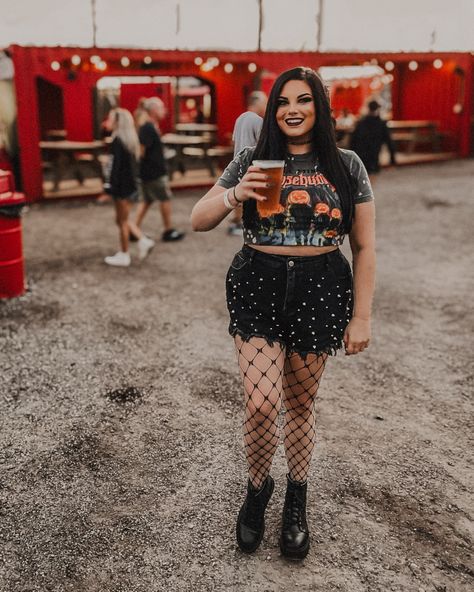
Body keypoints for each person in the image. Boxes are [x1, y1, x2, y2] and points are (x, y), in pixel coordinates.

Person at [191, 67, 375, 561]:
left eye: (304, 100)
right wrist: (235, 193)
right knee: (261, 402)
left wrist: (362, 316)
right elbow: (198, 219)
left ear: (319, 108)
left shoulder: (347, 165)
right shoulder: (254, 159)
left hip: (322, 286)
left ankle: (297, 495)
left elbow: (365, 246)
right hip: (258, 281)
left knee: (300, 404)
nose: (293, 109)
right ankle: (257, 488)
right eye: (283, 102)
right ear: (272, 110)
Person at [103, 108, 155, 267]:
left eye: (111, 119)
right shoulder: (130, 141)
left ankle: (125, 254)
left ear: (118, 122)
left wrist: (109, 186)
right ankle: (142, 241)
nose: (108, 122)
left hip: (121, 188)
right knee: (121, 220)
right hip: (131, 186)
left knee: (122, 221)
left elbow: (115, 167)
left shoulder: (117, 141)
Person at [132, 97, 185, 242]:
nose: (164, 111)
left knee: (146, 201)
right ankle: (168, 230)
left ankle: (133, 229)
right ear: (154, 110)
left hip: (148, 172)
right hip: (153, 172)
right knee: (165, 199)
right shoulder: (148, 127)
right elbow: (141, 151)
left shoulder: (148, 126)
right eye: (161, 108)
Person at [227, 91, 267, 236]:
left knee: (239, 194)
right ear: (257, 102)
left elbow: (234, 140)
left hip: (238, 161)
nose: (266, 105)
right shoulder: (258, 121)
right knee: (251, 197)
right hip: (253, 164)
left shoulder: (240, 118)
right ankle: (247, 224)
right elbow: (264, 145)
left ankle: (235, 222)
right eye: (265, 102)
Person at [350, 100, 396, 174]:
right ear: (378, 109)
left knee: (363, 176)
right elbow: (389, 141)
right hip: (374, 156)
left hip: (361, 156)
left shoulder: (361, 122)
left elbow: (353, 140)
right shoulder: (381, 124)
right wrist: (392, 160)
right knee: (372, 176)